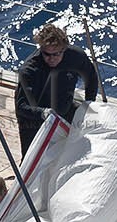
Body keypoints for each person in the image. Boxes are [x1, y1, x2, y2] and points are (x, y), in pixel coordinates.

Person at [14, 23, 100, 154]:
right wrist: (43, 113)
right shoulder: (29, 70)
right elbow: (21, 106)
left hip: (64, 107)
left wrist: (88, 103)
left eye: (57, 54)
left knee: (84, 143)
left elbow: (91, 78)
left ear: (64, 49)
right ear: (41, 49)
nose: (52, 59)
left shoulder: (76, 56)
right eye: (47, 54)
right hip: (36, 119)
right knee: (31, 158)